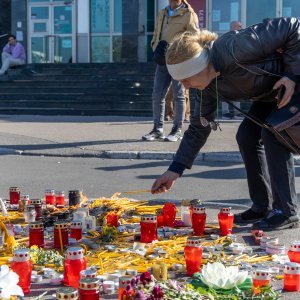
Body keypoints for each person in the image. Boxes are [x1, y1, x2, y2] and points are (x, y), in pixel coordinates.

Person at [151, 17, 300, 231]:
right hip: (272, 93)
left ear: (200, 67)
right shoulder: (206, 87)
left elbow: (292, 26)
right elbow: (198, 128)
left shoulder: (234, 47)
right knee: (247, 136)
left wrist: (292, 74)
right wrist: (175, 170)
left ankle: (286, 212)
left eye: (186, 79)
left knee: (272, 133)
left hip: (294, 79)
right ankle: (262, 206)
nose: (185, 86)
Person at [142, 0, 199, 142]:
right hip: (162, 61)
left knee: (179, 95)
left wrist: (179, 51)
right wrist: (155, 46)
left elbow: (194, 37)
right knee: (157, 95)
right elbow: (156, 34)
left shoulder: (188, 14)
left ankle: (177, 130)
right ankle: (157, 129)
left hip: (178, 61)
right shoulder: (162, 13)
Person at [221, 21, 243, 120]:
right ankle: (225, 113)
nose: (241, 28)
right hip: (227, 68)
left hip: (238, 68)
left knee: (237, 90)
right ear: (234, 27)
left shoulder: (242, 38)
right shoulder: (226, 38)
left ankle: (237, 113)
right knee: (226, 91)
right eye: (239, 26)